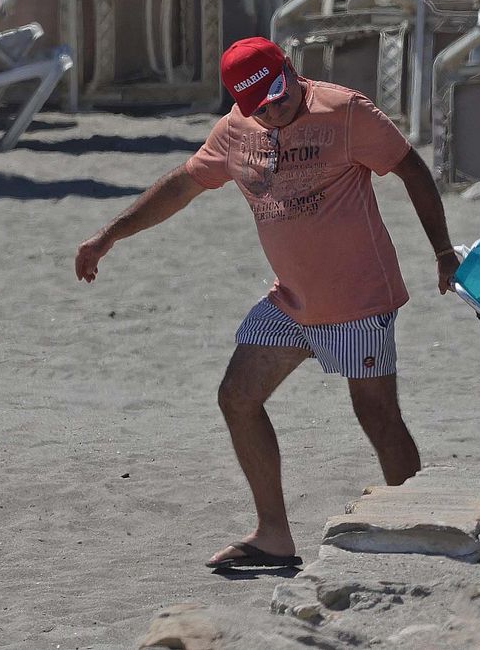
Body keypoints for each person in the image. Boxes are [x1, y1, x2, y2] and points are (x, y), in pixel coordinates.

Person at [74, 37, 458, 571]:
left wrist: (442, 250)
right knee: (237, 396)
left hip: (358, 298)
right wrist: (109, 236)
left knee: (377, 416)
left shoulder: (344, 110)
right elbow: (181, 186)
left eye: (279, 91)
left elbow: (412, 169)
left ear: (290, 69)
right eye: (259, 103)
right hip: (292, 300)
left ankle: (425, 522)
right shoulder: (236, 130)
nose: (274, 108)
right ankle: (274, 534)